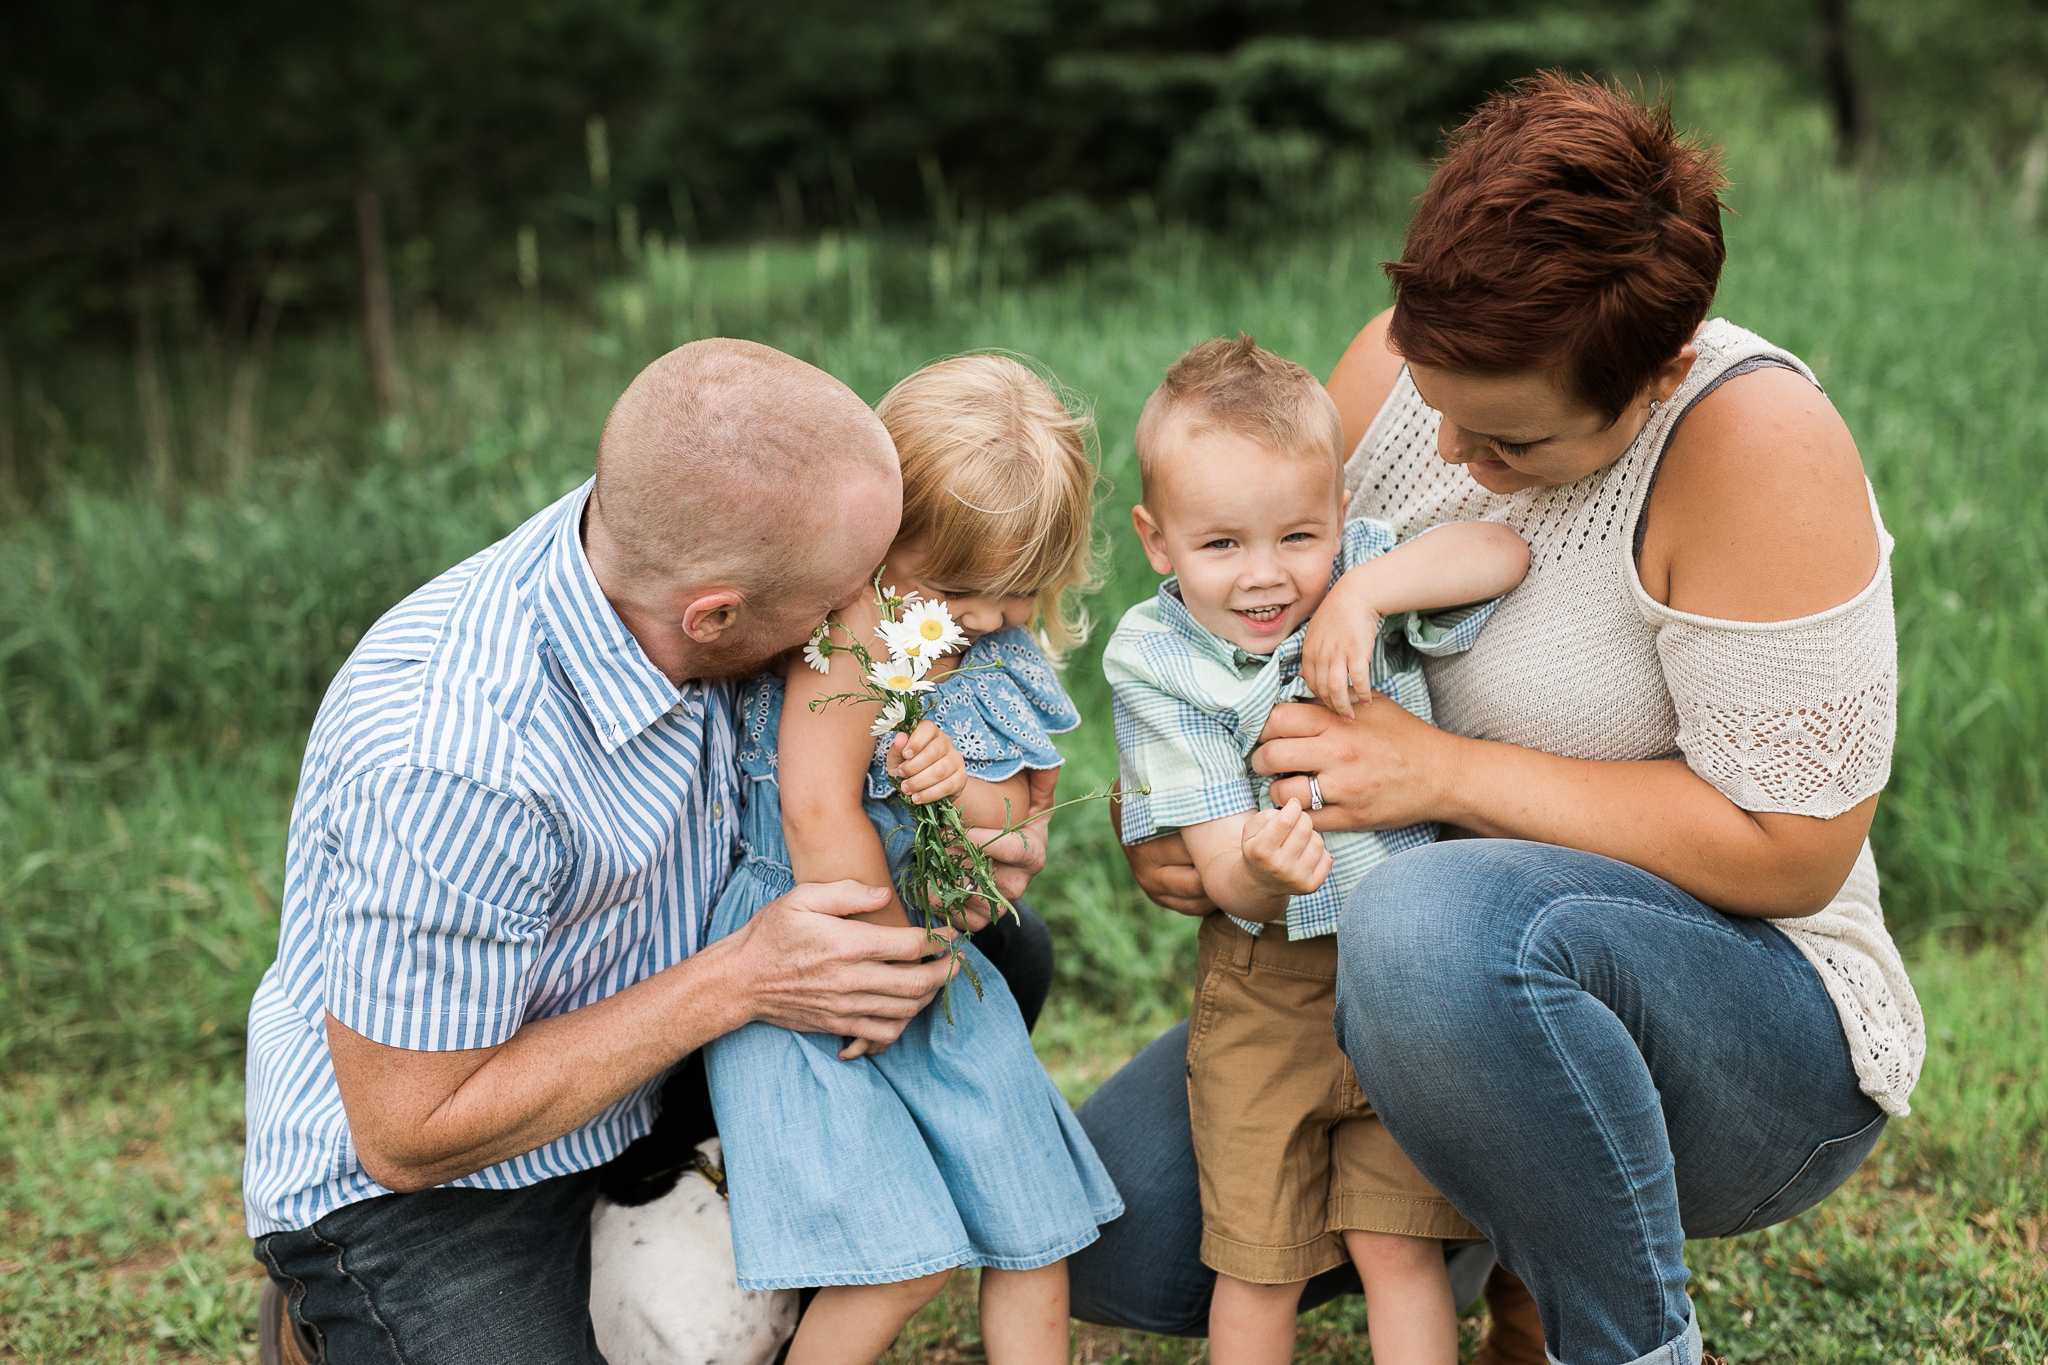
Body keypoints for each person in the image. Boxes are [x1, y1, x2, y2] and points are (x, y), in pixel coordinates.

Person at [1071, 73, 1923, 1365]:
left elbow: (1789, 847)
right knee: (1109, 1234)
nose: (1456, 453)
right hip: (1393, 986)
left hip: (1753, 1023)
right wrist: (1177, 824)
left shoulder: (1754, 444)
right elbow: (1253, 622)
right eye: (1438, 401)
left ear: (1659, 372)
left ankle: (1622, 1335)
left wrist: (1436, 774)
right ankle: (1482, 1205)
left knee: (1429, 926)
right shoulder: (1409, 365)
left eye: (1509, 441)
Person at [243, 339, 1058, 1365]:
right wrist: (745, 978)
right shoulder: (452, 757)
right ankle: (338, 1318)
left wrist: (970, 848)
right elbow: (407, 1130)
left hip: (654, 1069)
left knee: (987, 962)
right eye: (838, 604)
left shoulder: (693, 540)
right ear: (713, 614)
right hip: (444, 1176)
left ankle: (735, 1241)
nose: (868, 623)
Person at [1103, 336, 1527, 1365]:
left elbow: (1500, 554)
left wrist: (1359, 593)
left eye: (1297, 534)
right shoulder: (1159, 664)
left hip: (1401, 972)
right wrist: (1263, 863)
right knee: (1259, 1260)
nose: (1264, 577)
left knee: (1397, 1241)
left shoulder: (1356, 569)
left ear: (1337, 510)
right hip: (1266, 989)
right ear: (1156, 542)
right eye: (1220, 547)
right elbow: (1216, 869)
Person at [703, 353, 1122, 1365]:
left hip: (930, 947)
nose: (977, 618)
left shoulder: (985, 648)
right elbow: (813, 807)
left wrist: (972, 806)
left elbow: (1021, 815)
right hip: (823, 951)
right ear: (874, 536)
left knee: (1036, 1222)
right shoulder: (847, 634)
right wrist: (894, 960)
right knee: (894, 1258)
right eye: (952, 587)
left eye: (1016, 591)